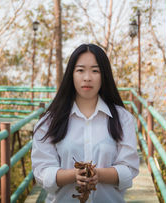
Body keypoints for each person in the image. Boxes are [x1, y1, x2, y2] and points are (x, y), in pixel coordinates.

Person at [31, 43, 139, 203]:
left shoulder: (123, 119)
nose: (87, 77)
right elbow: (42, 171)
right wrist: (72, 176)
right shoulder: (49, 122)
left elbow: (129, 168)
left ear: (104, 75)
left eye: (95, 71)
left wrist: (99, 175)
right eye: (80, 70)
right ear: (71, 75)